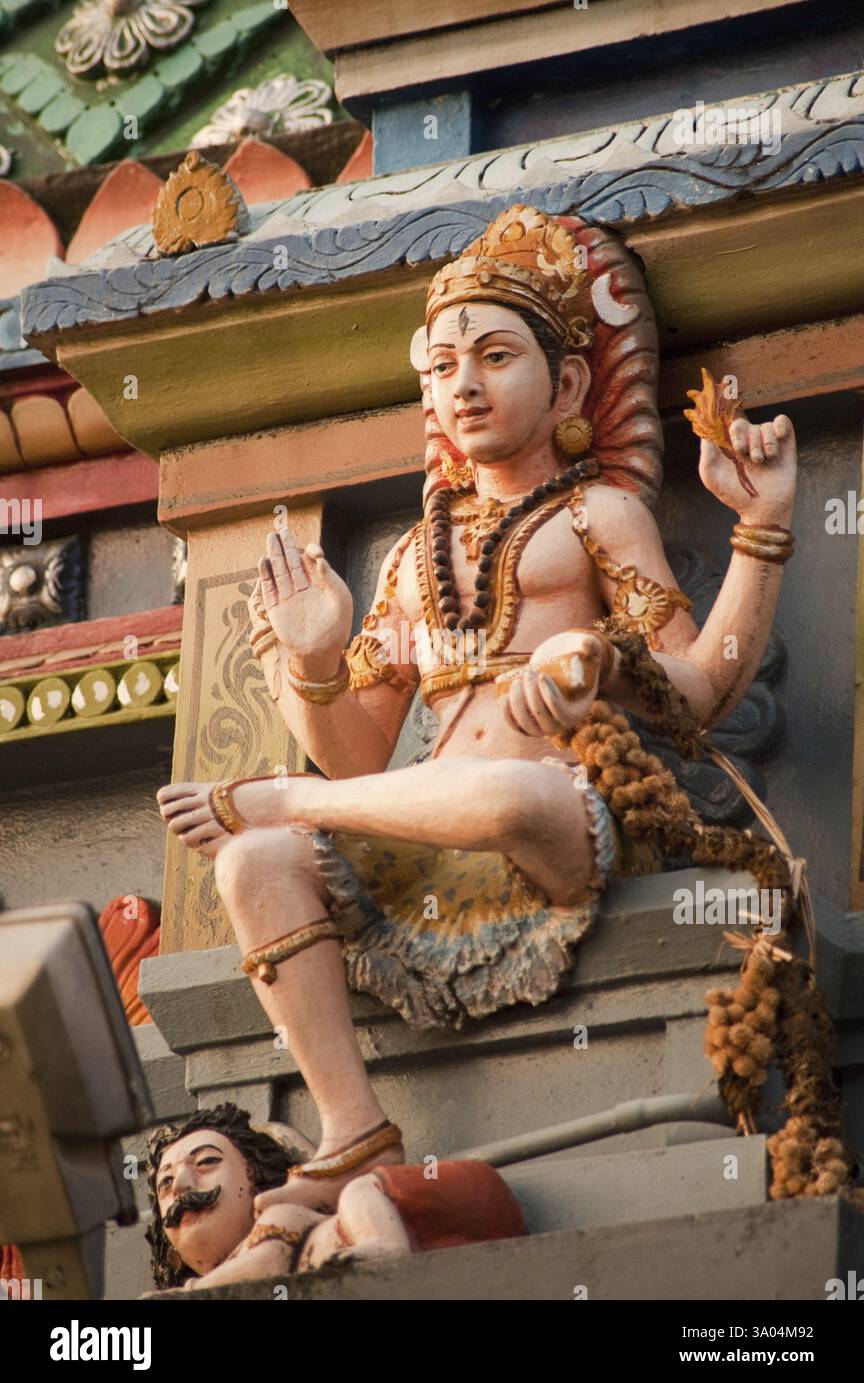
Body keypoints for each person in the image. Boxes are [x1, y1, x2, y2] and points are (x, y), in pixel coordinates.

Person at [157, 205, 797, 1211]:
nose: (464, 384)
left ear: (572, 384)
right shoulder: (413, 555)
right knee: (251, 860)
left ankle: (288, 801)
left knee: (501, 792)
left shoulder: (599, 511)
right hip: (422, 833)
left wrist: (748, 539)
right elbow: (362, 759)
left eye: (495, 356)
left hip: (551, 816)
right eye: (443, 368)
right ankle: (351, 1121)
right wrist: (313, 661)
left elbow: (702, 687)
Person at [146, 1103, 524, 1291]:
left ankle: (383, 1245)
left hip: (463, 1201)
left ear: (259, 1182)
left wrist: (193, 1293)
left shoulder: (282, 1217)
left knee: (360, 1190)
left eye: (207, 1162)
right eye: (164, 1184)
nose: (180, 1185)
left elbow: (269, 1261)